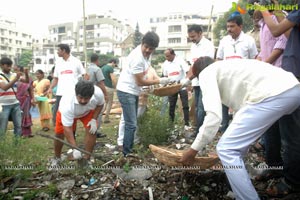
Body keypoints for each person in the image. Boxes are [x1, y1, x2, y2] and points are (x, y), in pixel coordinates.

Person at [179, 57, 300, 200]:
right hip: (293, 89)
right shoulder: (227, 68)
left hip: (272, 94)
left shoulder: (207, 73)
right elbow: (241, 117)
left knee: (226, 149)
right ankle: (237, 184)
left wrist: (193, 150)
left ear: (198, 73)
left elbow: (213, 117)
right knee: (291, 143)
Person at [257, 0, 300, 196]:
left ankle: (292, 183)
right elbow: (289, 33)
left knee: (291, 135)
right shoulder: (293, 15)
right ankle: (280, 170)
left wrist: (266, 10)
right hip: (288, 79)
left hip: (293, 79)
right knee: (281, 130)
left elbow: (276, 31)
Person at [116, 31, 170, 156]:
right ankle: (126, 152)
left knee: (131, 122)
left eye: (151, 49)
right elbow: (140, 81)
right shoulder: (137, 58)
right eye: (146, 47)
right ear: (142, 43)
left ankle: (126, 147)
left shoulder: (147, 56)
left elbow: (146, 71)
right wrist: (159, 80)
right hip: (126, 91)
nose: (147, 50)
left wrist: (152, 83)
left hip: (133, 91)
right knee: (131, 124)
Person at [216, 13, 258, 133]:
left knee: (241, 108)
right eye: (228, 26)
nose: (229, 29)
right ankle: (224, 129)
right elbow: (219, 60)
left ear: (240, 26)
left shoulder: (249, 40)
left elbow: (254, 60)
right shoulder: (224, 41)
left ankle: (239, 131)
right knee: (224, 104)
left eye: (232, 26)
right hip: (226, 80)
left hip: (243, 81)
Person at [51, 80, 105, 166]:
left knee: (92, 130)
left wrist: (94, 119)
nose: (83, 101)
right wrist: (75, 148)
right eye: (80, 97)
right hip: (69, 113)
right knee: (59, 134)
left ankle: (87, 159)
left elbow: (100, 105)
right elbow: (67, 128)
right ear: (76, 94)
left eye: (86, 98)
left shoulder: (98, 93)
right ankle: (57, 158)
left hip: (87, 112)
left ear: (91, 95)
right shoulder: (67, 103)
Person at [117, 66, 159, 149]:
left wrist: (163, 81)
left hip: (143, 99)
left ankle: (135, 139)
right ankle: (122, 141)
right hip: (131, 96)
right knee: (126, 119)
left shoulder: (151, 70)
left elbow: (156, 81)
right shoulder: (134, 68)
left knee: (137, 119)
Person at [184, 24, 215, 136]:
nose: (191, 39)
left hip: (205, 80)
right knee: (197, 107)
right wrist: (188, 79)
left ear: (200, 33)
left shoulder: (208, 45)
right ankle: (198, 129)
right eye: (190, 37)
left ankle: (200, 132)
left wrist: (190, 78)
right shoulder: (193, 47)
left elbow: (205, 65)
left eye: (193, 36)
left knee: (202, 107)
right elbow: (193, 65)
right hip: (196, 82)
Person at [47, 44, 86, 127]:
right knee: (57, 113)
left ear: (64, 51)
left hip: (72, 94)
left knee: (71, 113)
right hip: (60, 93)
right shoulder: (58, 63)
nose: (57, 52)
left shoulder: (76, 61)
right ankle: (59, 132)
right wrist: (50, 88)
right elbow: (55, 78)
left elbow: (84, 75)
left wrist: (84, 88)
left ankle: (71, 132)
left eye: (58, 50)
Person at [162, 48, 190, 129]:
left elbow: (187, 71)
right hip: (172, 86)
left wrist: (187, 82)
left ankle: (187, 123)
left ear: (173, 54)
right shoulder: (165, 64)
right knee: (172, 106)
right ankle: (171, 124)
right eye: (166, 56)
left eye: (168, 56)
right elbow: (165, 76)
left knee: (185, 105)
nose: (167, 58)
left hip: (181, 85)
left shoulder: (180, 61)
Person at [0, 57, 23, 137]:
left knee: (18, 126)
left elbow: (26, 81)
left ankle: (17, 144)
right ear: (2, 65)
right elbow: (5, 87)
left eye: (10, 66)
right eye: (7, 66)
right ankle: (2, 146)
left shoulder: (13, 75)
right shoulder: (0, 76)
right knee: (2, 127)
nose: (9, 68)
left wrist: (25, 73)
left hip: (15, 103)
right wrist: (16, 79)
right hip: (3, 105)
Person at [87, 53, 108, 138]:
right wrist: (106, 94)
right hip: (95, 93)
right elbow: (101, 83)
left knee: (89, 112)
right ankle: (96, 131)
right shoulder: (97, 69)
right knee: (98, 112)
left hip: (86, 93)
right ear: (97, 60)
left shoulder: (86, 69)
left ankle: (89, 128)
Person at [14, 65, 34, 138]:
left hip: (25, 99)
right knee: (19, 115)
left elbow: (31, 89)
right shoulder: (13, 77)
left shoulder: (24, 78)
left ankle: (27, 132)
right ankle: (22, 132)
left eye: (17, 69)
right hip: (17, 99)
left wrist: (33, 99)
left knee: (26, 114)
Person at [101, 58, 118, 123]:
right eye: (115, 64)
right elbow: (113, 79)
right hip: (109, 87)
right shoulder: (110, 68)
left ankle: (100, 115)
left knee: (104, 102)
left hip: (102, 87)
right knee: (109, 103)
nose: (114, 66)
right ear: (113, 62)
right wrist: (116, 87)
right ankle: (106, 118)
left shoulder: (102, 68)